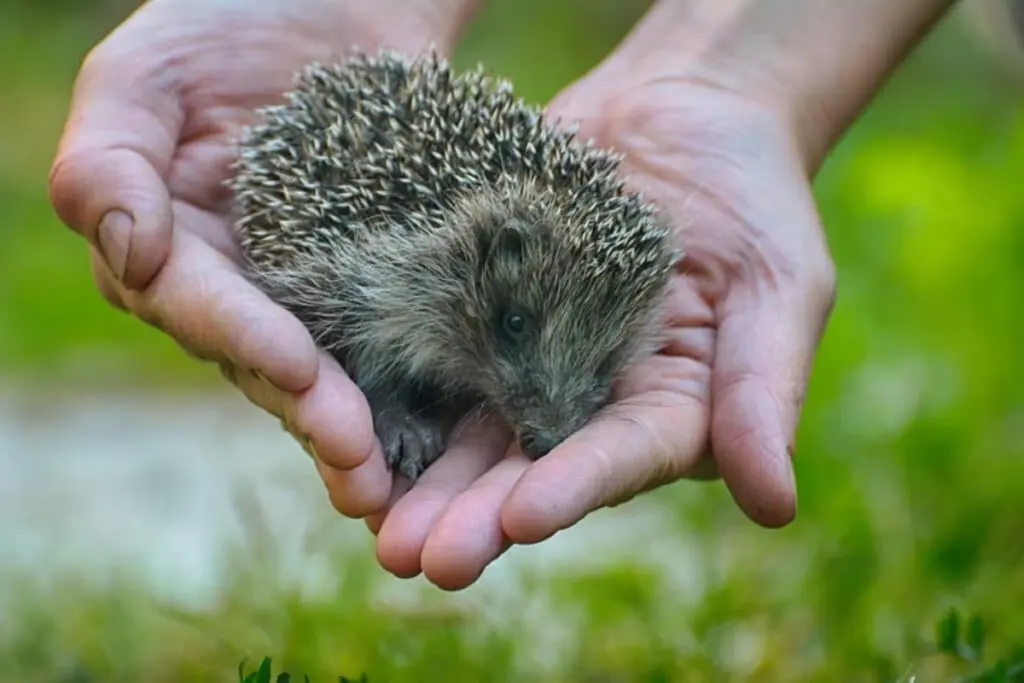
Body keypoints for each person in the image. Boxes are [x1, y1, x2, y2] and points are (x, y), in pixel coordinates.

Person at [48, 0, 956, 590]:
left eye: (598, 369)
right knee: (356, 357)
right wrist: (391, 401)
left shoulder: (600, 281)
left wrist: (742, 74)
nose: (548, 414)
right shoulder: (411, 270)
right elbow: (348, 331)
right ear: (487, 269)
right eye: (520, 336)